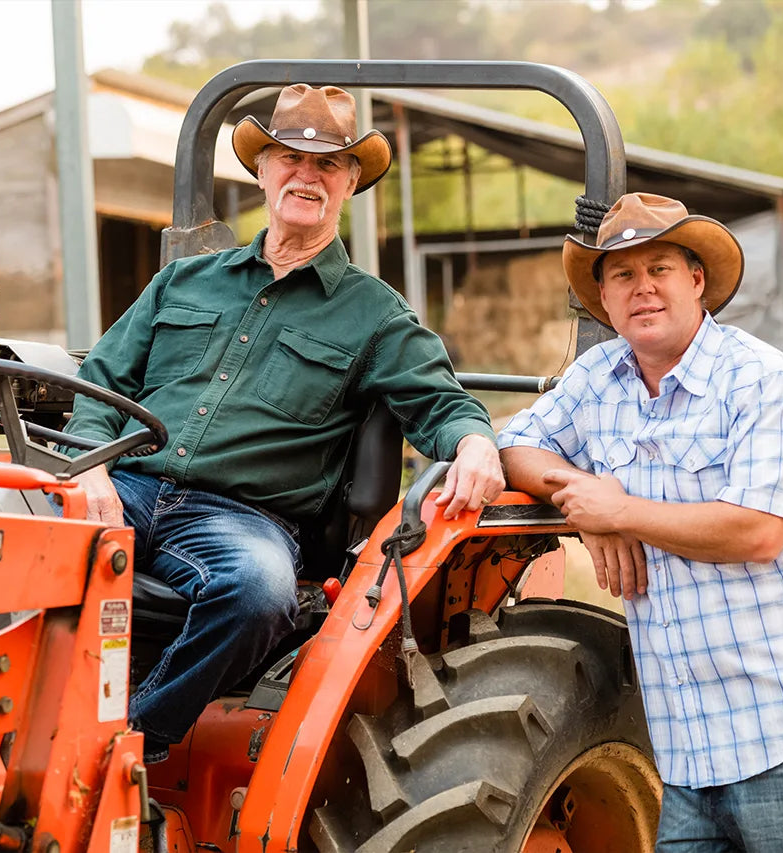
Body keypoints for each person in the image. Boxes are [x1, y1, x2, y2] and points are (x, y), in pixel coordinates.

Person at [63, 84, 504, 762]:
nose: (307, 174)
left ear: (351, 181)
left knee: (260, 591)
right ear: (263, 168)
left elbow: (442, 404)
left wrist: (475, 444)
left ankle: (123, 746)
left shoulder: (374, 315)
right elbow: (100, 380)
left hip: (239, 518)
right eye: (290, 158)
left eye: (328, 164)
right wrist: (90, 463)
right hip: (125, 482)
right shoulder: (183, 284)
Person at [497, 192, 783, 851]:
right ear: (603, 294)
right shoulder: (599, 378)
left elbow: (757, 530)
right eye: (622, 274)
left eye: (659, 268)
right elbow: (517, 446)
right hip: (691, 752)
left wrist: (621, 509)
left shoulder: (761, 381)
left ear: (696, 280)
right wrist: (584, 496)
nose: (642, 287)